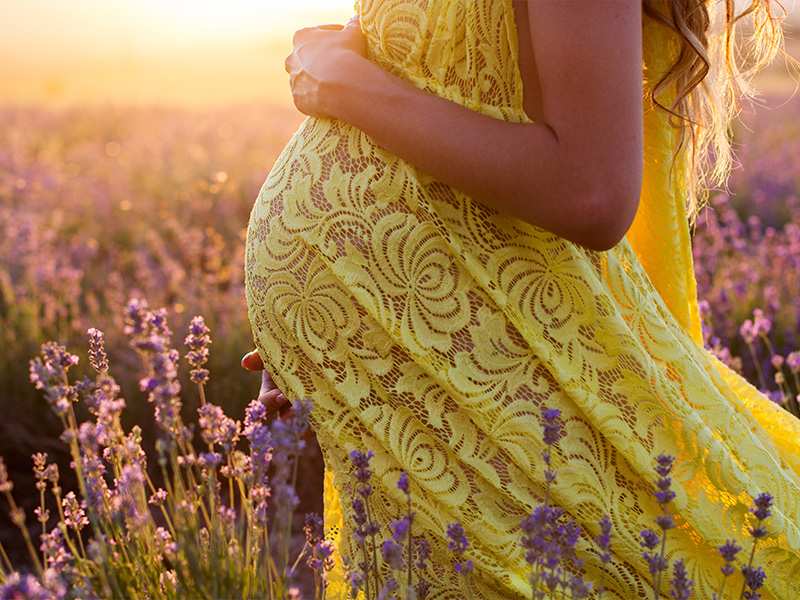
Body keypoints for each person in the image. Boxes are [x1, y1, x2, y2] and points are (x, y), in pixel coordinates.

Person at [243, 1, 800, 597]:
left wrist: (345, 87)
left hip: (483, 366)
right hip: (413, 372)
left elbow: (590, 188)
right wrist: (335, 338)